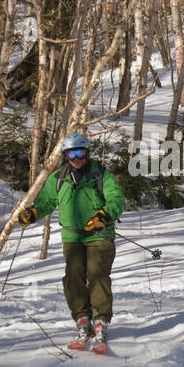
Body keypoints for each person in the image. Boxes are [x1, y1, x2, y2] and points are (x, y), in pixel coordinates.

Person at [17, 133, 126, 351]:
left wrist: (104, 215)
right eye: (71, 154)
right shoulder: (58, 177)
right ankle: (82, 318)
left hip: (99, 234)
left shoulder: (100, 175)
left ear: (87, 152)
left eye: (80, 152)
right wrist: (34, 212)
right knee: (73, 275)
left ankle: (101, 320)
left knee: (97, 274)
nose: (76, 158)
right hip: (72, 236)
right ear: (66, 156)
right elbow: (47, 200)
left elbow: (117, 199)